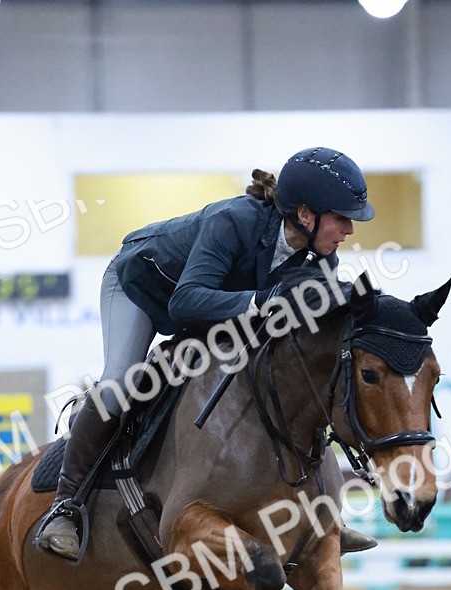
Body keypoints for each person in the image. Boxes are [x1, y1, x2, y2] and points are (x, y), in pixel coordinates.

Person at [37, 146, 375, 560]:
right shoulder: (233, 221)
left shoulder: (318, 260)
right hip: (144, 287)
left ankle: (318, 517)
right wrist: (263, 299)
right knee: (120, 384)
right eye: (342, 218)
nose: (349, 230)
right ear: (306, 214)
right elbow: (185, 303)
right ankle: (65, 507)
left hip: (209, 309)